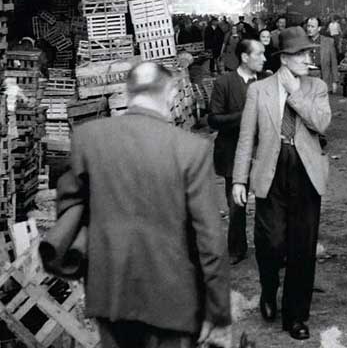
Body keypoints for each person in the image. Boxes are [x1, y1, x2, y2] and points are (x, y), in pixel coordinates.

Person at [56, 61, 231, 348]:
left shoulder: (88, 139)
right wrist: (219, 314)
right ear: (169, 93)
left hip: (110, 294)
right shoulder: (191, 149)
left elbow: (69, 215)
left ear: (128, 92)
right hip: (172, 298)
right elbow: (209, 239)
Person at [233, 26, 331, 341]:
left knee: (302, 248)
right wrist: (239, 178)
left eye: (308, 52)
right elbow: (247, 137)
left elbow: (321, 122)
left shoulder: (316, 86)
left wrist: (297, 93)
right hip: (270, 173)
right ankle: (268, 288)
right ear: (285, 58)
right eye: (301, 54)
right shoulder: (259, 90)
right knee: (271, 243)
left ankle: (296, 316)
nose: (308, 58)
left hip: (305, 172)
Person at [208, 39, 267, 265]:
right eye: (259, 54)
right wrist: (246, 115)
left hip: (262, 153)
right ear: (244, 57)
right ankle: (236, 249)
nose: (264, 58)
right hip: (233, 152)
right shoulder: (224, 82)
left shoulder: (266, 81)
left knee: (267, 205)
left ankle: (267, 248)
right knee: (236, 205)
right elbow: (213, 119)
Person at [306, 17, 339, 93]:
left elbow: (333, 62)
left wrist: (335, 81)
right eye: (308, 26)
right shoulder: (302, 41)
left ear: (319, 28)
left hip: (322, 76)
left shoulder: (328, 42)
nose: (309, 29)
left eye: (312, 27)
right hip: (306, 78)